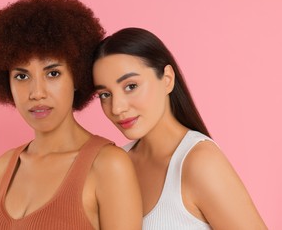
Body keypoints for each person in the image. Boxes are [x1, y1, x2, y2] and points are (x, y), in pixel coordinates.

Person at [0, 0, 142, 230]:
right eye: (22, 76)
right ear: (6, 84)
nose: (37, 93)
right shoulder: (5, 167)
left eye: (52, 73)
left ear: (77, 75)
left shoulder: (108, 165)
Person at [92, 27, 267, 229]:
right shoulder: (114, 163)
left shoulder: (199, 162)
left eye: (131, 86)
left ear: (167, 79)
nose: (117, 107)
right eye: (105, 94)